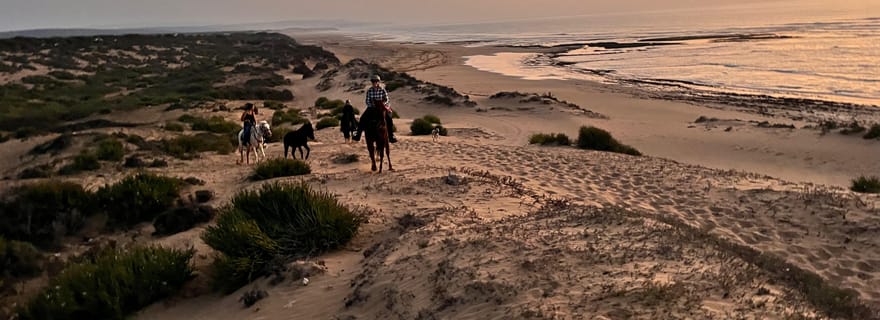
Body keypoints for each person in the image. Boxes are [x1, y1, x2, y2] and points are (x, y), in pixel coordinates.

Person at [353, 75, 397, 143]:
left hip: (382, 107)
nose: (374, 83)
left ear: (378, 82)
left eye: (376, 81)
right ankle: (358, 135)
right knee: (362, 118)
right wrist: (372, 105)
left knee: (389, 118)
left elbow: (387, 99)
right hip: (372, 108)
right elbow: (367, 100)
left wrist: (383, 104)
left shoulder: (382, 90)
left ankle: (391, 136)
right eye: (373, 81)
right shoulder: (369, 91)